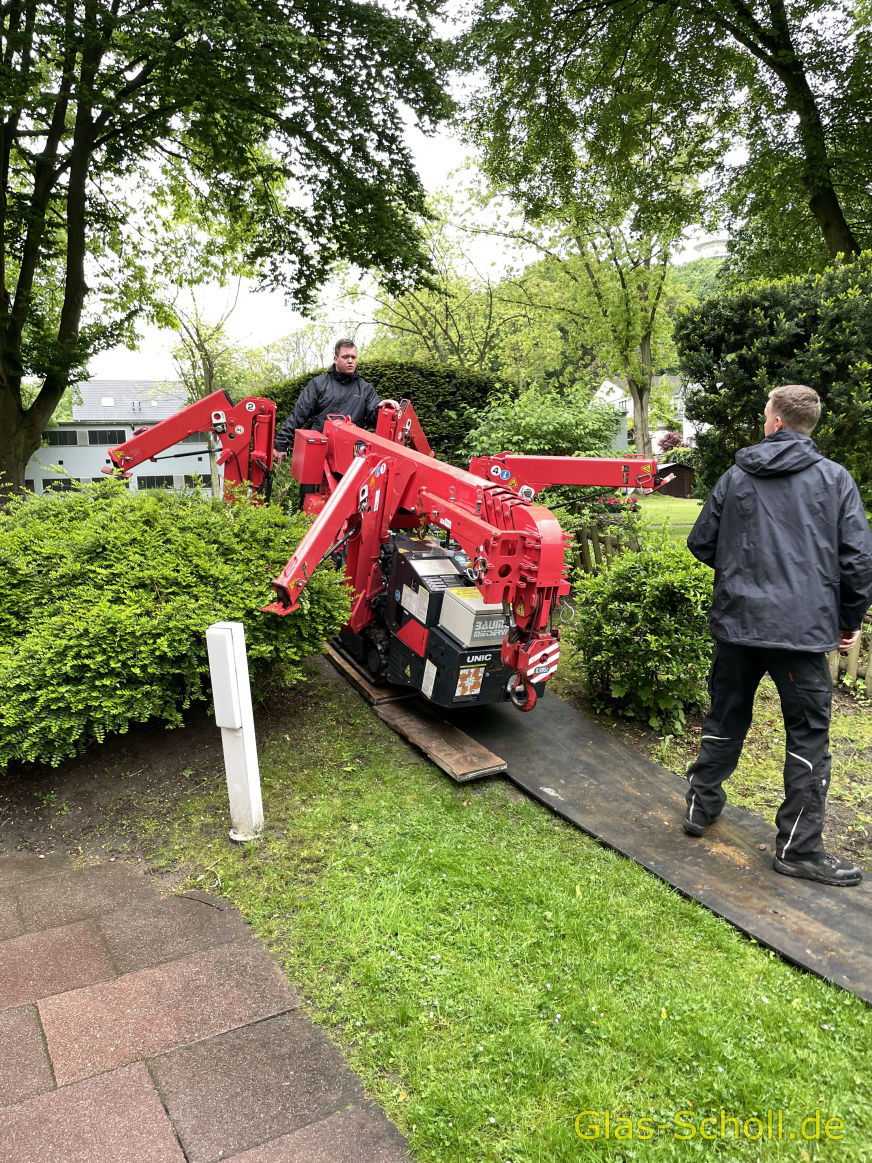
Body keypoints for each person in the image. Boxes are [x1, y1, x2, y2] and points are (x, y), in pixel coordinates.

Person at [683, 384, 872, 887]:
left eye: (766, 413)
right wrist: (848, 623)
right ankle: (798, 849)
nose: (764, 420)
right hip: (802, 635)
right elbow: (858, 562)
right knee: (808, 738)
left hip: (740, 628)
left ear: (778, 423)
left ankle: (700, 809)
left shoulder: (736, 477)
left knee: (724, 717)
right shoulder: (836, 481)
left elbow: (701, 541)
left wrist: (743, 571)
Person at [273, 338, 398, 461]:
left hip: (350, 456)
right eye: (345, 357)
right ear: (335, 359)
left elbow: (374, 418)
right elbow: (298, 415)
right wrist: (281, 444)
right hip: (318, 451)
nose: (350, 361)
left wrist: (382, 409)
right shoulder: (318, 384)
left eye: (353, 357)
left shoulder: (366, 390)